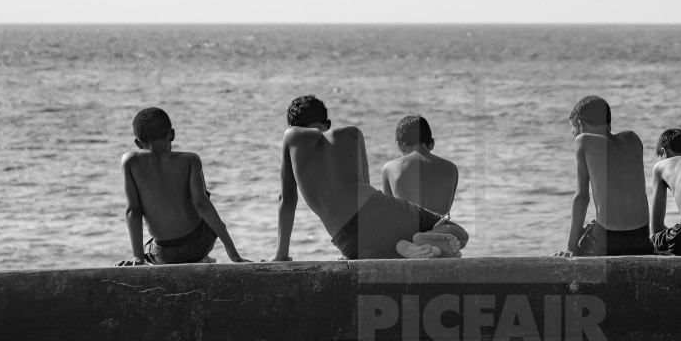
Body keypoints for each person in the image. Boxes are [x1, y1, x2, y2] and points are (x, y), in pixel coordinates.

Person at [273, 95, 468, 261]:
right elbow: (364, 186)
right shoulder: (352, 134)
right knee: (457, 232)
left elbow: (287, 199)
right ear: (328, 123)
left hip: (347, 240)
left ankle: (410, 248)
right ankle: (417, 241)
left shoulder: (292, 136)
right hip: (375, 211)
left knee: (380, 252)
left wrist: (281, 256)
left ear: (293, 125)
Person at [117, 107, 249, 266]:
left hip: (165, 254)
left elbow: (133, 211)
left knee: (148, 248)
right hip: (200, 245)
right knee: (204, 195)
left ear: (138, 143)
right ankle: (203, 258)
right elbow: (202, 204)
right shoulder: (191, 160)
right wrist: (232, 251)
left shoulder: (130, 161)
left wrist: (138, 257)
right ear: (172, 134)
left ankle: (146, 256)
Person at [554, 95, 653, 257]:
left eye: (574, 132)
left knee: (581, 237)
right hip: (641, 239)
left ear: (580, 124)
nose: (575, 136)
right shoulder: (633, 139)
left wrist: (571, 247)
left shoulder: (583, 140)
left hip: (610, 240)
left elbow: (582, 197)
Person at [381, 115, 459, 217]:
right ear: (432, 144)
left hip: (408, 230)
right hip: (439, 230)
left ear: (400, 144)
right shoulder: (452, 169)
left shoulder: (389, 168)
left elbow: (388, 212)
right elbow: (446, 213)